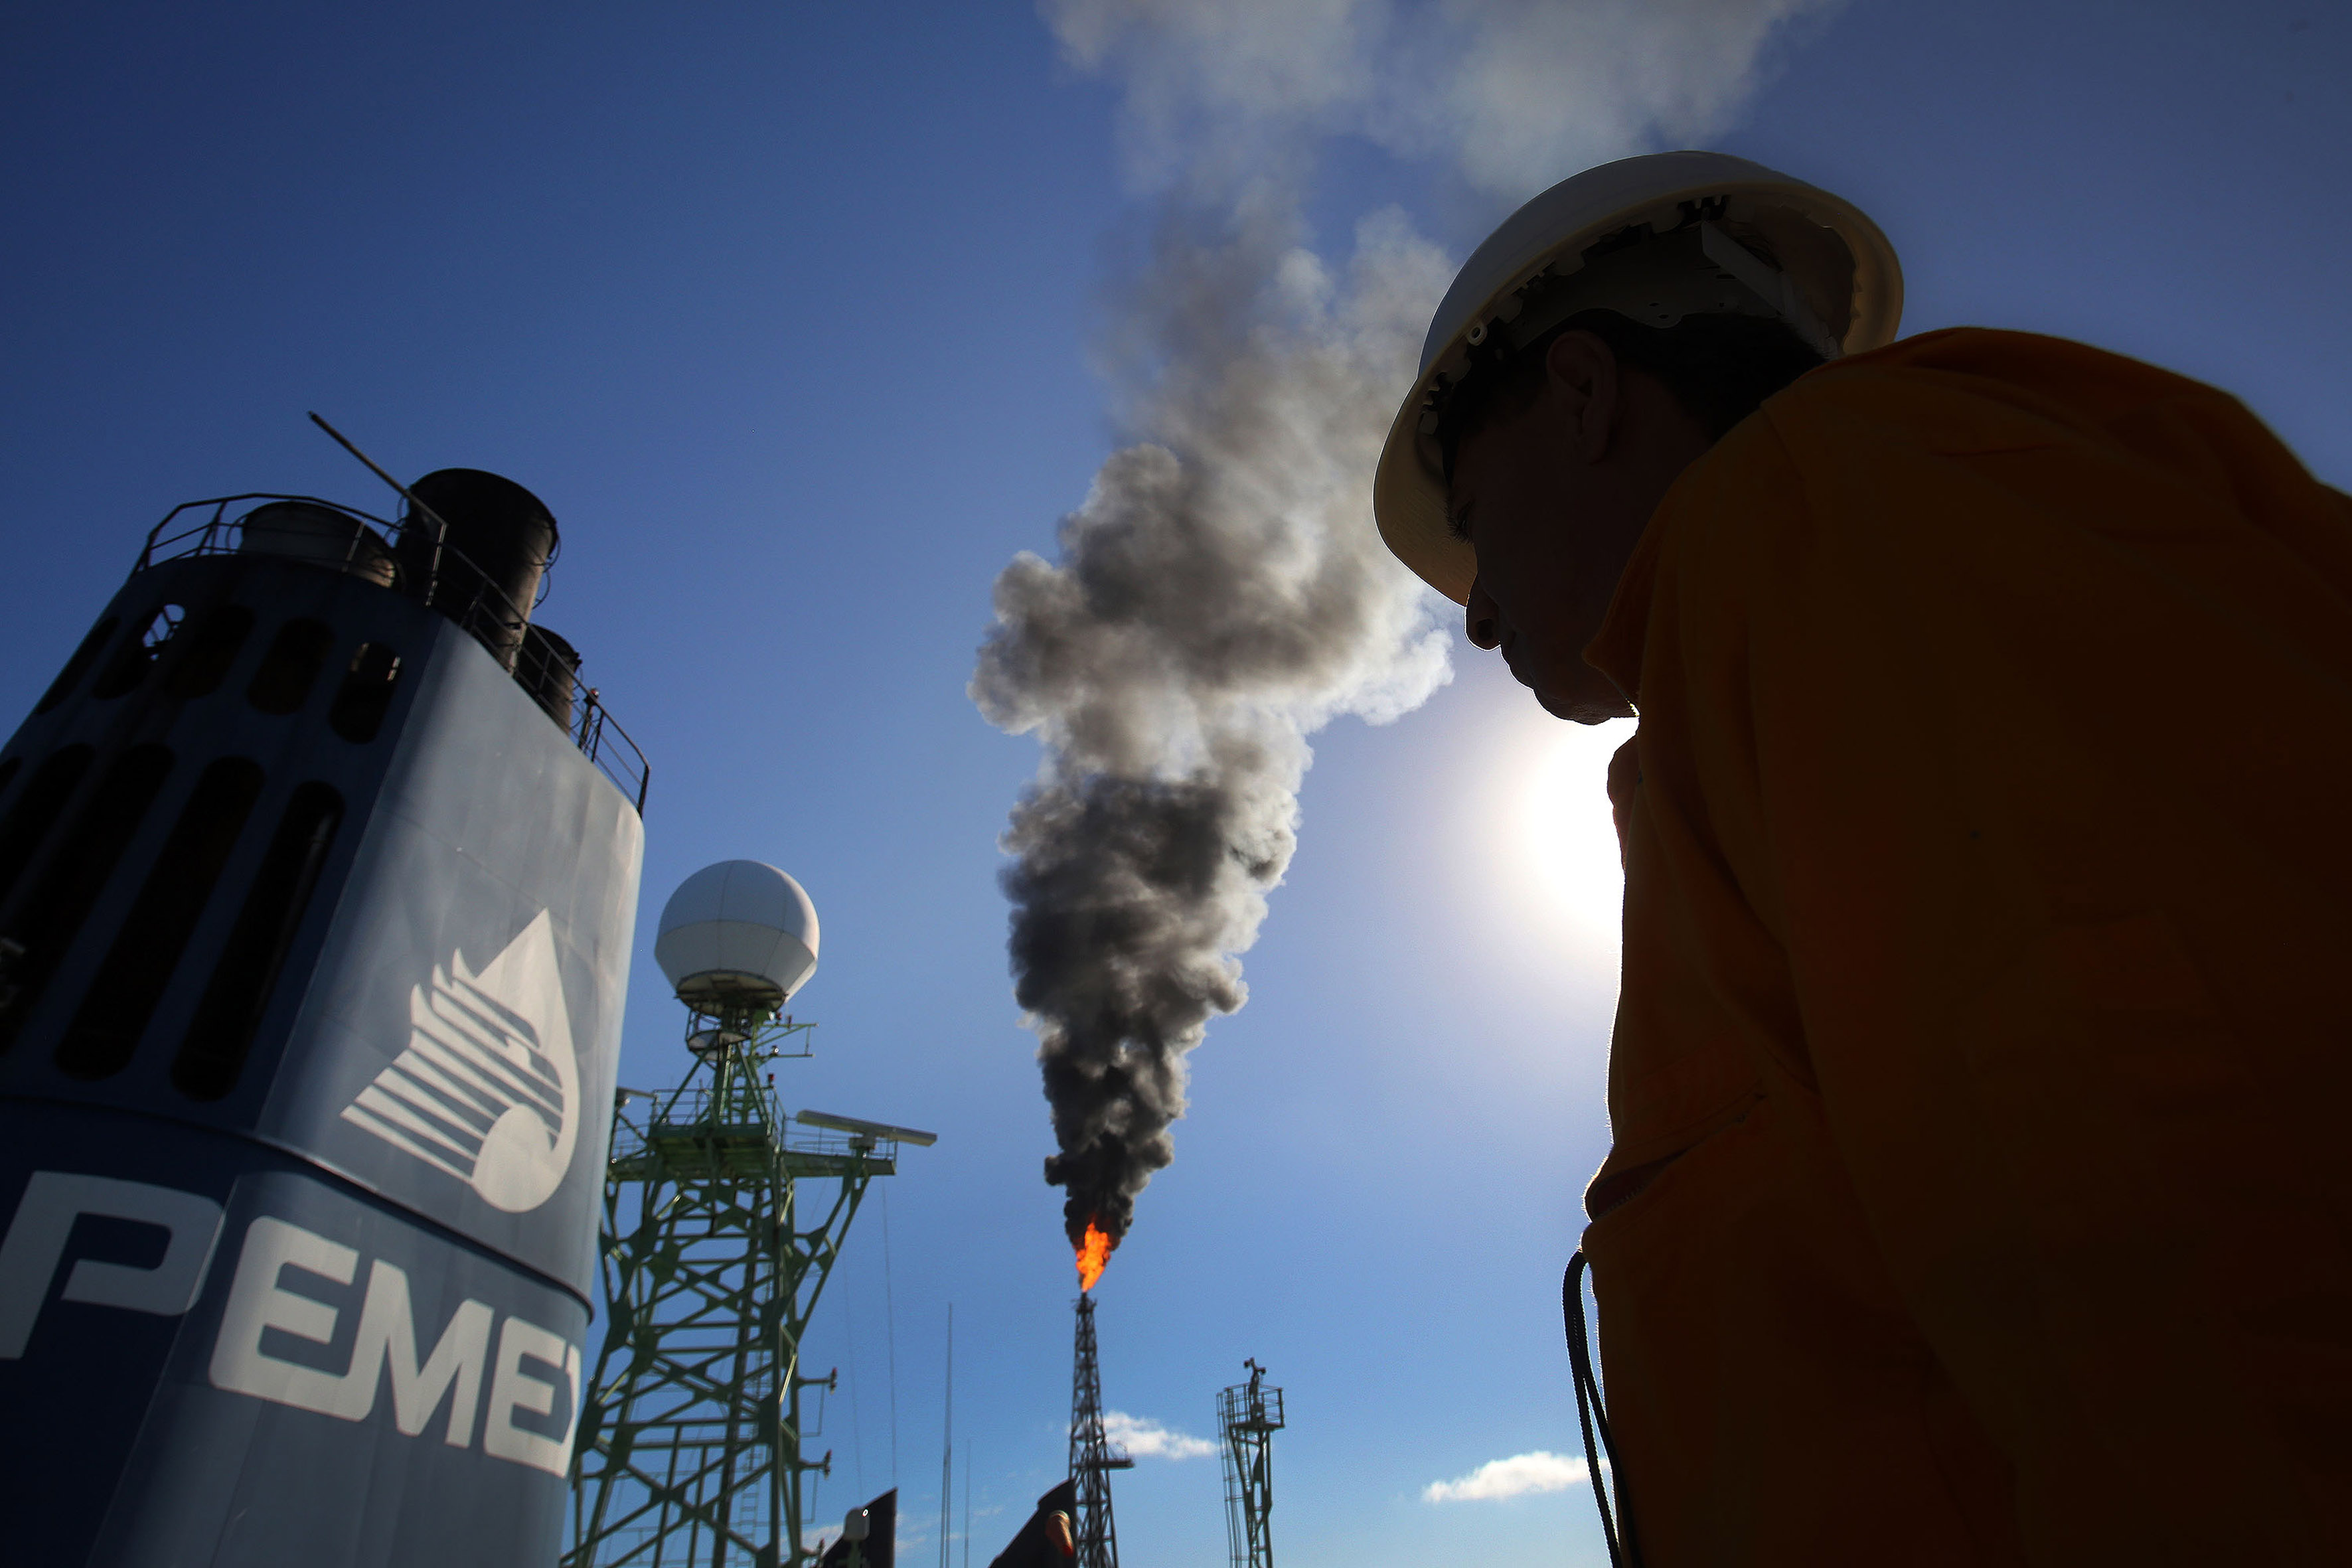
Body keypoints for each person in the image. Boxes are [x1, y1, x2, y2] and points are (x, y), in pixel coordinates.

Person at [1371, 151, 2352, 1565]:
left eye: (1471, 520)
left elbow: (2187, 1237)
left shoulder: (1834, 510)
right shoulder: (1777, 633)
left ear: (1582, 392)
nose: (1473, 615)